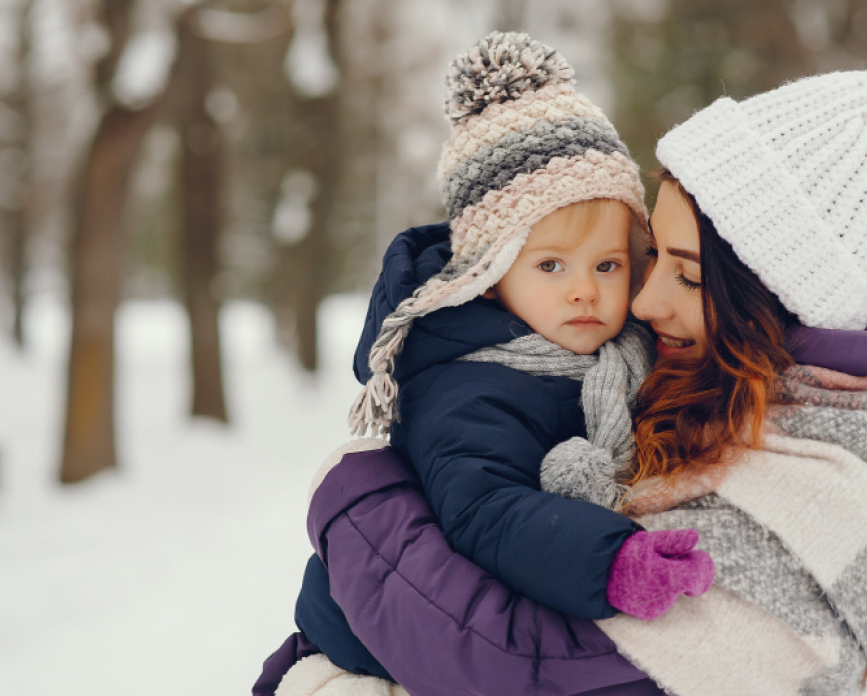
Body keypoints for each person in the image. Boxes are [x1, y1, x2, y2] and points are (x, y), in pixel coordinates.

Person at [257, 70, 867, 696]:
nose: (641, 305)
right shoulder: (699, 378)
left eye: (679, 272)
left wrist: (357, 498)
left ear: (769, 297)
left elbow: (519, 661)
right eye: (652, 261)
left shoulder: (817, 484)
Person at [273, 31, 717, 687]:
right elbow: (483, 509)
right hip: (381, 643)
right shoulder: (469, 384)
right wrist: (612, 563)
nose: (584, 289)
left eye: (607, 264)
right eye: (550, 265)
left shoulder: (624, 355)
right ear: (489, 274)